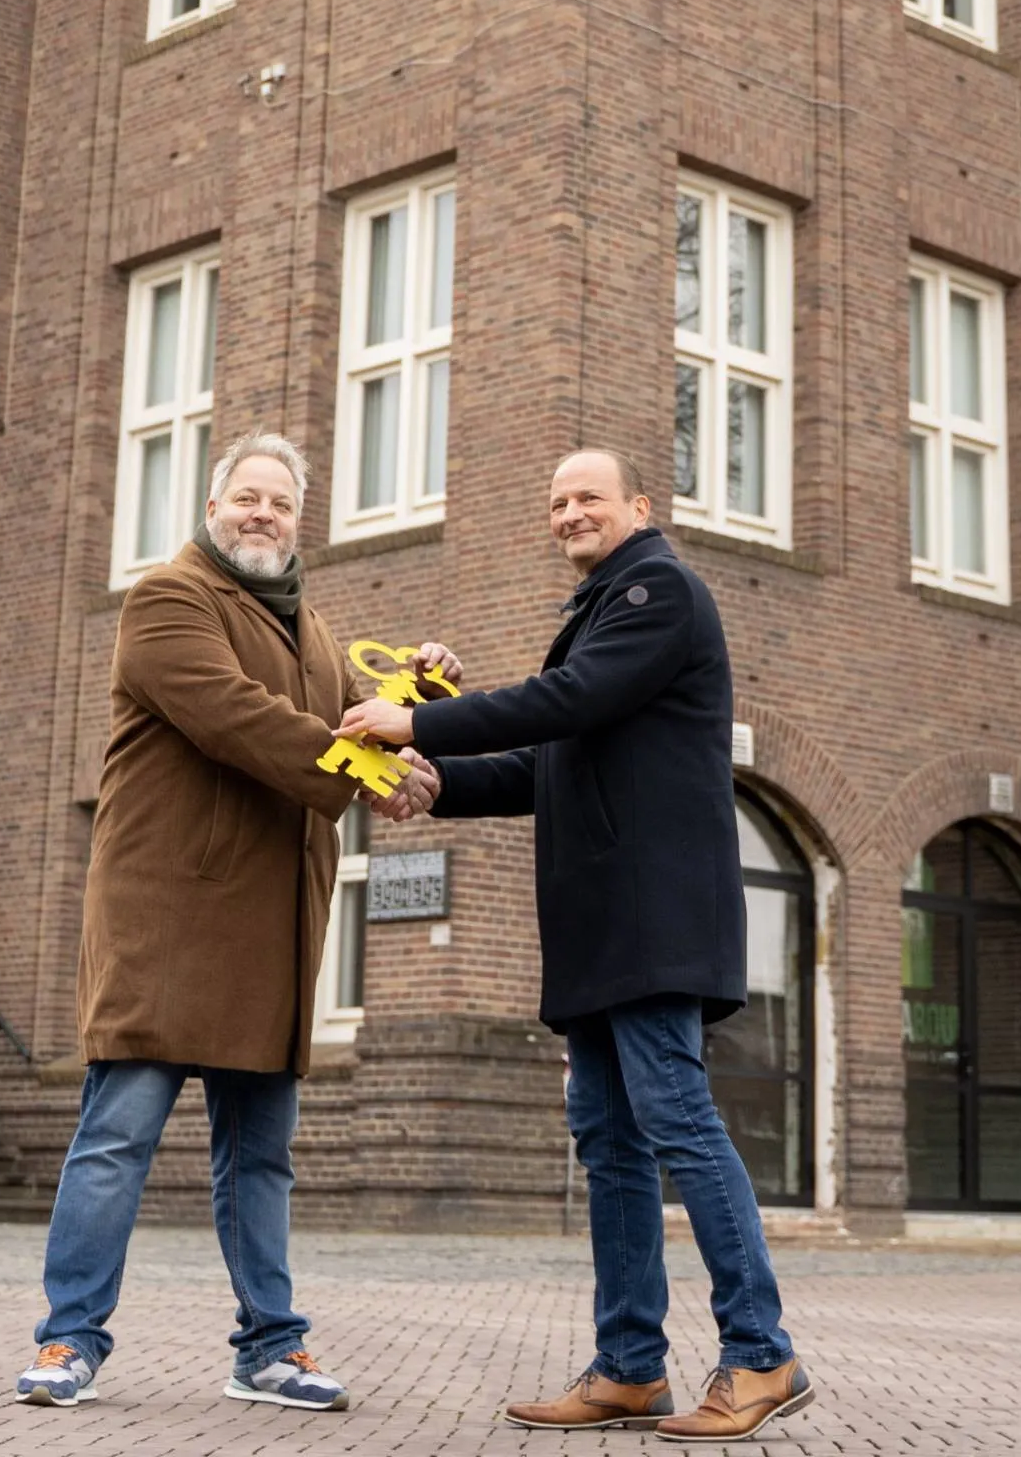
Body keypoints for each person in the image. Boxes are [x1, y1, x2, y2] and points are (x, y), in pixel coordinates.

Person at [342, 448, 815, 1443]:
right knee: (610, 1142)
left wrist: (417, 715)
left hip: (652, 918)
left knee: (676, 1117)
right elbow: (552, 759)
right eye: (555, 501)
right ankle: (632, 1366)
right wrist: (436, 777)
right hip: (603, 927)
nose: (568, 513)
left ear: (639, 505)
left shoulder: (657, 590)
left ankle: (761, 1352)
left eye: (587, 497)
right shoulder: (600, 614)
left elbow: (565, 705)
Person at [17, 432, 408, 1412]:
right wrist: (363, 771)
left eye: (278, 501)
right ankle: (69, 1340)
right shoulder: (166, 599)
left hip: (270, 939)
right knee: (118, 1140)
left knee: (261, 1159)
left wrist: (418, 704)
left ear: (299, 516)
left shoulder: (314, 631)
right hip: (170, 921)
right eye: (245, 497)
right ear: (211, 506)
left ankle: (270, 1350)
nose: (261, 514)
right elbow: (235, 717)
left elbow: (361, 728)